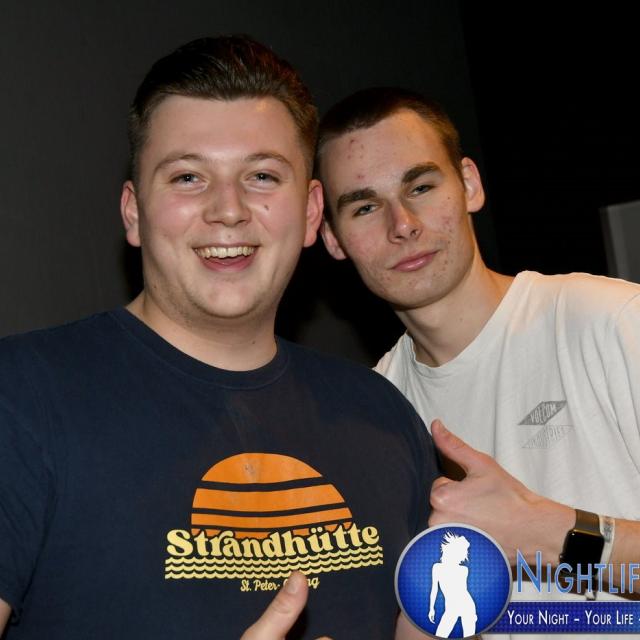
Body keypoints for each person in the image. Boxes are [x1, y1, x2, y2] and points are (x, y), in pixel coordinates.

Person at [0, 42, 439, 639]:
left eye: (261, 176)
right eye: (188, 177)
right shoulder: (21, 398)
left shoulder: (381, 413)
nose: (228, 210)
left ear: (312, 212)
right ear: (133, 212)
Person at [316, 86, 640, 636]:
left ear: (469, 184)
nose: (402, 224)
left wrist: (550, 533)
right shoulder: (372, 413)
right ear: (333, 237)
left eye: (421, 187)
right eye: (365, 207)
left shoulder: (608, 322)